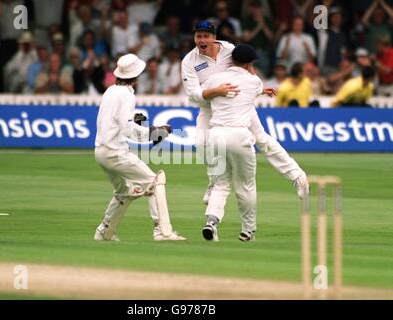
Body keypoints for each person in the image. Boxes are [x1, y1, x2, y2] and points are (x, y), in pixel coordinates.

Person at [181, 20, 309, 207]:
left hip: (238, 105)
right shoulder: (189, 61)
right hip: (210, 107)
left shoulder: (228, 49)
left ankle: (298, 177)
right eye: (198, 36)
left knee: (262, 140)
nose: (202, 40)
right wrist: (217, 91)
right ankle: (214, 182)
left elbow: (246, 69)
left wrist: (257, 86)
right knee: (201, 144)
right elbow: (193, 95)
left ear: (214, 38)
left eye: (206, 36)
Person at [201, 44, 306, 242]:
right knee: (245, 185)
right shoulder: (254, 81)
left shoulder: (213, 80)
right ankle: (248, 231)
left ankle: (211, 222)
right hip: (238, 136)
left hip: (215, 136)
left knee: (221, 183)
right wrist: (256, 82)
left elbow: (206, 96)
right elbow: (252, 84)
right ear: (250, 64)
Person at [94, 53, 185, 241]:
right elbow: (126, 128)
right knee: (154, 182)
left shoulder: (110, 91)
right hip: (115, 152)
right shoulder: (126, 94)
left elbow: (120, 120)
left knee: (124, 191)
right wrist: (155, 134)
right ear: (136, 75)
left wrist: (149, 127)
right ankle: (162, 231)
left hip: (101, 151)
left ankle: (104, 232)